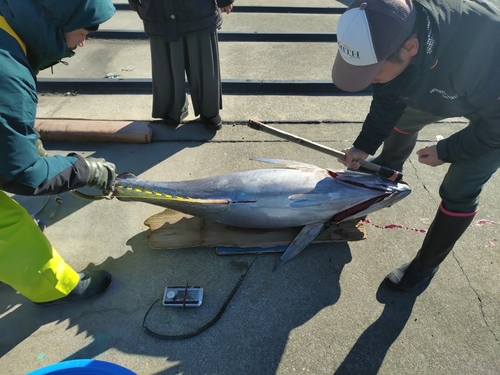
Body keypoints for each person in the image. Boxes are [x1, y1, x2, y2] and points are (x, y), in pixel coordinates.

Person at [331, 0, 500, 291]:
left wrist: (447, 151)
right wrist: (364, 145)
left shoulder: (486, 48)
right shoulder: (389, 23)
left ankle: (425, 266)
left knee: (459, 188)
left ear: (410, 47)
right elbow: (388, 95)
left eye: (373, 72)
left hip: (490, 103)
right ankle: (382, 178)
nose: (371, 81)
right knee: (403, 118)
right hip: (437, 80)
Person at [0, 0, 118, 306]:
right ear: (52, 23)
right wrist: (82, 171)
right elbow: (23, 175)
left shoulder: (8, 33)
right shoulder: (8, 71)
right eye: (82, 32)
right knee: (8, 225)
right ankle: (55, 286)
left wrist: (26, 140)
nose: (83, 42)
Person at [128, 0, 235, 131]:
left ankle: (209, 109)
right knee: (165, 68)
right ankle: (172, 108)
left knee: (204, 65)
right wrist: (138, 6)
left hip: (199, 11)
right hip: (157, 11)